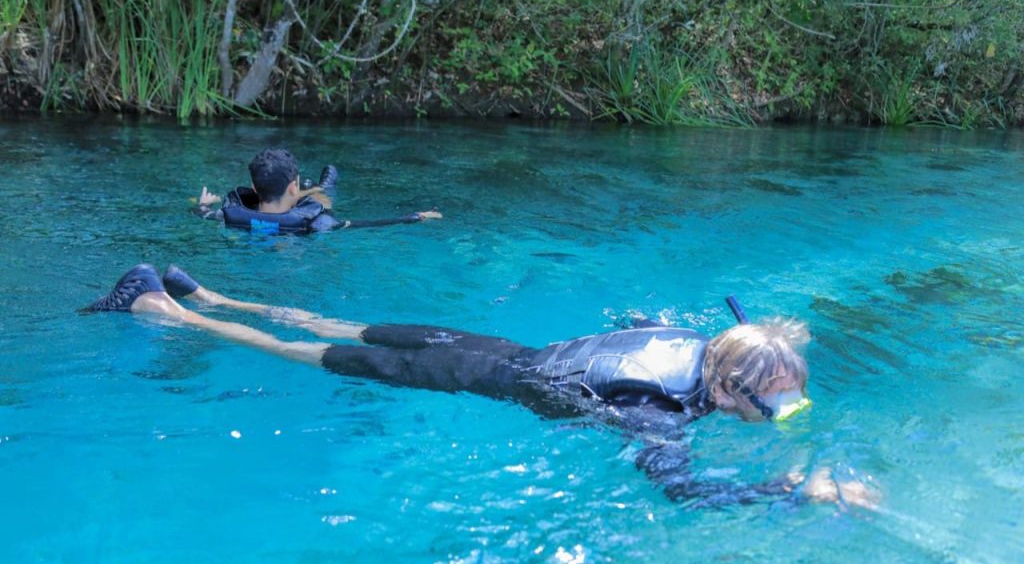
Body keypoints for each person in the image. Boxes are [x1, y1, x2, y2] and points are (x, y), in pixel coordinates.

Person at [84, 263, 878, 509]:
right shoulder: (657, 410)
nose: (783, 412)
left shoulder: (693, 344)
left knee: (343, 321)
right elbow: (683, 494)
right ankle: (166, 308)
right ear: (734, 392)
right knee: (302, 354)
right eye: (778, 401)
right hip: (472, 371)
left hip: (496, 344)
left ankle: (210, 290)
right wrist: (789, 491)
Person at [194, 148, 443, 235]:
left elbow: (202, 212)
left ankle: (322, 184)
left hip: (280, 202)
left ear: (254, 187)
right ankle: (324, 185)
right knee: (323, 196)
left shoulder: (229, 216)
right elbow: (369, 224)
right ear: (293, 187)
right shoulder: (318, 224)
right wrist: (415, 217)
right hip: (302, 207)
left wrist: (203, 204)